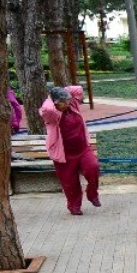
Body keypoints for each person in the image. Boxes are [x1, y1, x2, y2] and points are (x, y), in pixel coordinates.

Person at [38, 85, 100, 215]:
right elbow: (46, 107)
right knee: (70, 183)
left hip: (82, 149)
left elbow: (78, 89)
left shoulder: (72, 105)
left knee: (93, 167)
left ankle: (92, 194)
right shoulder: (51, 114)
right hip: (64, 154)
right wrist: (51, 95)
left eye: (68, 100)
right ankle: (74, 206)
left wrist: (63, 91)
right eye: (64, 102)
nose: (68, 103)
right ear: (56, 103)